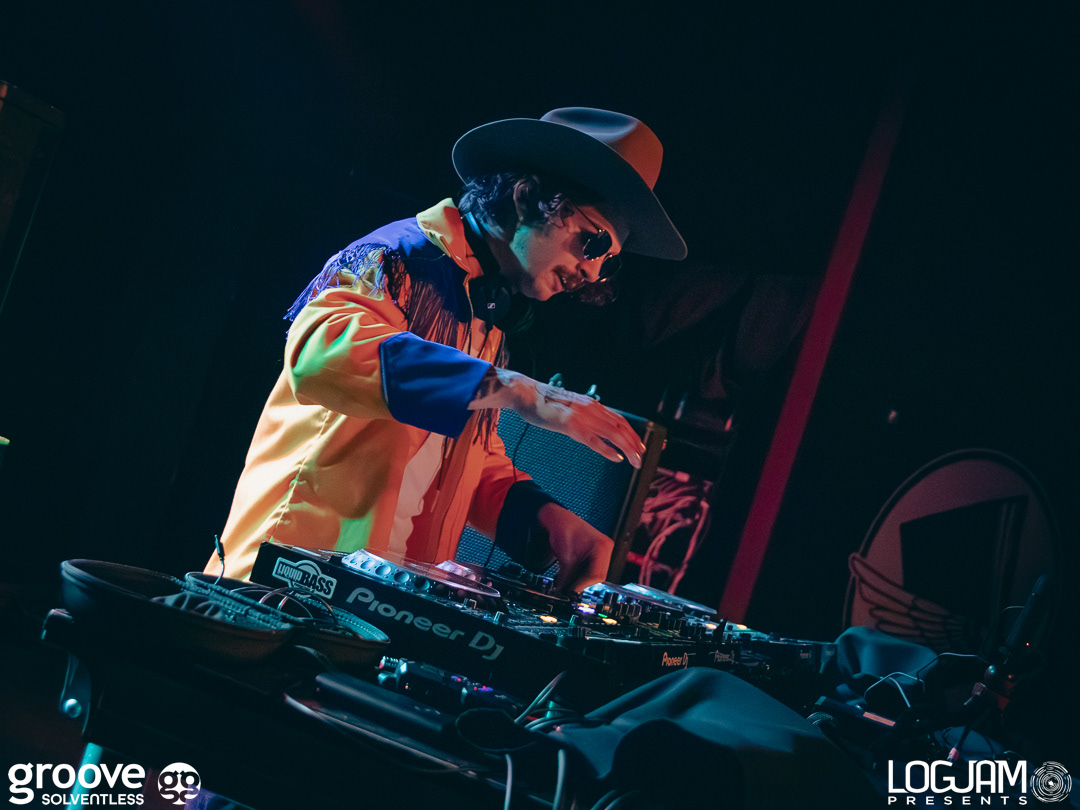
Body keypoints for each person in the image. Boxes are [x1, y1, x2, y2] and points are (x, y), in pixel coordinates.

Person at [207, 107, 686, 593]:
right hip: (279, 584)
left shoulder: (488, 314)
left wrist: (546, 521)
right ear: (526, 197)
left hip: (369, 599)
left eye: (609, 263)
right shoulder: (398, 256)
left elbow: (462, 457)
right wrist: (520, 390)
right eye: (594, 242)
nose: (592, 272)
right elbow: (321, 354)